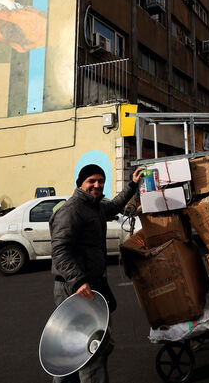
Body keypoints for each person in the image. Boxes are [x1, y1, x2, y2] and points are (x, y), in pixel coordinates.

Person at [49, 163, 143, 383]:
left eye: (100, 181)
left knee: (71, 347)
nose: (97, 185)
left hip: (92, 284)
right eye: (91, 181)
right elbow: (60, 250)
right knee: (91, 348)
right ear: (80, 183)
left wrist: (132, 186)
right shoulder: (71, 210)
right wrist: (78, 280)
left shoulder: (96, 206)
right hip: (75, 288)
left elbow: (114, 206)